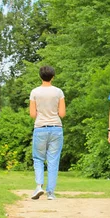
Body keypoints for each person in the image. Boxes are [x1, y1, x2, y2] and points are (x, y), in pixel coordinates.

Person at [29, 65, 66, 200]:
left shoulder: (34, 92)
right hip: (56, 127)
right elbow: (62, 113)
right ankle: (51, 193)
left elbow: (32, 114)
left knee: (38, 158)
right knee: (53, 160)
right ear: (53, 77)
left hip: (40, 127)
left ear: (40, 76)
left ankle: (39, 186)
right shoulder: (58, 92)